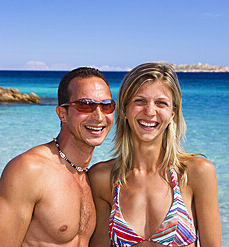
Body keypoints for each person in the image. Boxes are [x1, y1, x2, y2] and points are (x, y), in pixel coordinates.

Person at [88, 62, 221, 246]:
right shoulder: (102, 177)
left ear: (173, 113)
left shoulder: (197, 173)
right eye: (140, 101)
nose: (150, 112)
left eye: (161, 103)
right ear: (125, 109)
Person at [0, 67, 116, 246]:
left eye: (106, 106)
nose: (99, 116)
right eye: (85, 105)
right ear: (62, 114)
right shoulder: (30, 170)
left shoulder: (91, 178)